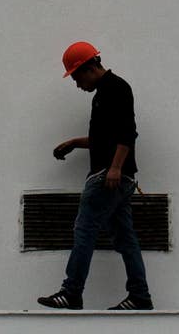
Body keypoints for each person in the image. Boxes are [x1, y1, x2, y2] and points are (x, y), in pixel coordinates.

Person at [36, 40, 154, 311]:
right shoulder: (104, 93)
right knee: (125, 238)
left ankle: (71, 292)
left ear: (90, 67)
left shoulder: (116, 88)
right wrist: (75, 143)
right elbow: (106, 138)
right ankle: (140, 296)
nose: (77, 84)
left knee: (84, 230)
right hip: (118, 177)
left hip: (107, 177)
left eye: (77, 77)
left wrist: (114, 167)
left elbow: (127, 132)